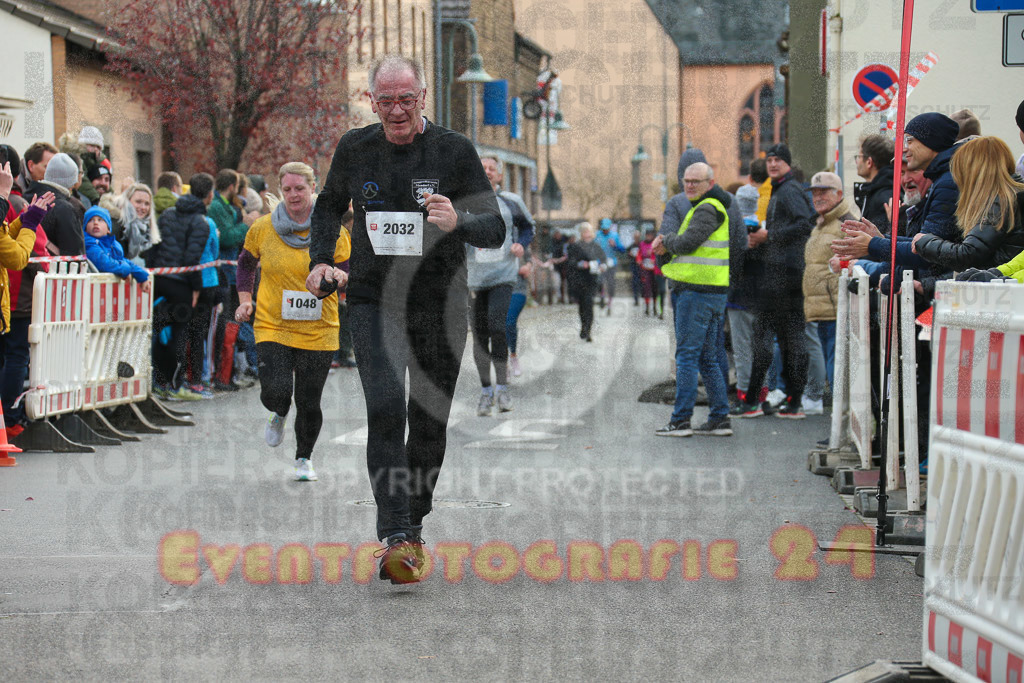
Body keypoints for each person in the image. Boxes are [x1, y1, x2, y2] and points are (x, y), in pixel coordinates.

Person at [307, 54, 503, 584]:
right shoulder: (355, 147)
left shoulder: (454, 150)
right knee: (387, 408)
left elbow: (495, 229)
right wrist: (320, 259)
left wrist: (459, 219)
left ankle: (413, 524)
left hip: (439, 304)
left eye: (406, 100)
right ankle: (395, 534)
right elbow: (328, 206)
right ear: (371, 101)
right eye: (386, 100)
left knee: (428, 422)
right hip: (373, 301)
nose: (397, 110)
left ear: (423, 99)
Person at [236, 161, 350, 482]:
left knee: (309, 400)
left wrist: (342, 276)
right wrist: (245, 300)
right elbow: (245, 265)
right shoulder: (263, 228)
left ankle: (304, 458)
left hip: (319, 329)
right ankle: (279, 411)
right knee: (277, 390)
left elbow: (346, 268)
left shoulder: (332, 231)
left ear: (313, 188)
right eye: (287, 189)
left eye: (300, 188)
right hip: (273, 324)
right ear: (280, 190)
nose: (293, 195)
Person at [733, 143, 815, 419]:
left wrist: (769, 236)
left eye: (778, 159)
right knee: (786, 340)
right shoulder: (783, 189)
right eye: (769, 160)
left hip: (784, 275)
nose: (773, 164)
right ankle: (791, 401)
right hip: (783, 273)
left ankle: (756, 401)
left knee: (769, 338)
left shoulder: (789, 190)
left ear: (787, 163)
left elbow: (805, 224)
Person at [651, 161, 733, 437]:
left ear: (710, 183)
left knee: (686, 356)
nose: (689, 185)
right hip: (711, 291)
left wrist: (666, 242)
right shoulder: (711, 206)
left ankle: (681, 420)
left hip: (696, 292)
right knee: (707, 358)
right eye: (686, 181)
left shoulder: (707, 208)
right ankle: (720, 418)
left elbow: (688, 243)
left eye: (695, 181)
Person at [469, 156, 534, 415]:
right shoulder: (464, 200)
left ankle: (502, 389)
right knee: (479, 337)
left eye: (491, 168)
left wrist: (521, 244)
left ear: (498, 175)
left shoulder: (511, 201)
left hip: (503, 275)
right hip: (473, 278)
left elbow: (528, 227)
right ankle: (486, 391)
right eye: (482, 167)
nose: (486, 171)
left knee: (498, 328)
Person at [912, 136, 1024, 271]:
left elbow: (968, 255)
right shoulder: (1009, 195)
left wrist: (925, 242)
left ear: (973, 171)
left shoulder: (999, 201)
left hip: (1002, 280)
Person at [0, 162, 54, 434]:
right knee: (15, 357)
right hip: (16, 301)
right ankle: (9, 419)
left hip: (13, 302)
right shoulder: (5, 199)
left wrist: (26, 218)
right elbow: (17, 257)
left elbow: (5, 236)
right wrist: (30, 222)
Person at [148, 173, 213, 401]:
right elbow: (192, 260)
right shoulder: (201, 223)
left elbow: (155, 247)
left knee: (159, 332)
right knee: (178, 334)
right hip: (182, 285)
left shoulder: (167, 214)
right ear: (209, 195)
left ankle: (159, 382)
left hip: (160, 280)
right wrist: (196, 289)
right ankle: (175, 385)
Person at [803, 172, 859, 414]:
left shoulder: (846, 222)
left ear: (839, 194)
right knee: (832, 365)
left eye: (824, 192)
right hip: (823, 308)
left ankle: (842, 421)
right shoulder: (821, 223)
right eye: (815, 192)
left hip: (837, 307)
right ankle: (839, 420)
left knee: (838, 368)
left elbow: (860, 257)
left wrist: (843, 264)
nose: (818, 197)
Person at [83, 206, 151, 290]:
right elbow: (104, 263)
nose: (95, 223)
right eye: (90, 220)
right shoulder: (88, 243)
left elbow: (122, 260)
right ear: (85, 228)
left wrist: (141, 275)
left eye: (100, 220)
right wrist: (125, 270)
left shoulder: (113, 245)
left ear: (108, 229)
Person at [100, 182, 161, 262]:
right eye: (138, 202)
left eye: (147, 204)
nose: (143, 207)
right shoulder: (114, 225)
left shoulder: (145, 230)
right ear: (127, 201)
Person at [566, 222, 606, 341]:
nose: (587, 234)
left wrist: (602, 266)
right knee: (582, 305)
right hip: (579, 279)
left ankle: (588, 330)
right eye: (584, 232)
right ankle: (583, 326)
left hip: (592, 279)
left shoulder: (596, 246)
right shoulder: (575, 246)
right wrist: (581, 264)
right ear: (581, 234)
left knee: (589, 303)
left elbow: (603, 260)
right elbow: (571, 262)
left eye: (588, 231)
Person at [852, 134, 895, 229]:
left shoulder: (882, 199)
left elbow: (876, 236)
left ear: (869, 162)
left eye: (859, 157)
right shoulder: (880, 192)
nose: (857, 162)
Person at [594, 218, 625, 314]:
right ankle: (602, 296)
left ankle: (609, 304)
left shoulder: (614, 236)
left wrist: (615, 245)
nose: (605, 230)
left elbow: (623, 250)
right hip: (600, 263)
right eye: (603, 229)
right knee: (599, 281)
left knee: (610, 284)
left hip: (611, 263)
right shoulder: (597, 235)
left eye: (606, 229)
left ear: (610, 228)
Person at [76, 126, 107, 205]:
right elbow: (83, 181)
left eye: (98, 147)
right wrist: (96, 197)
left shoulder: (98, 163)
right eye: (92, 145)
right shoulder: (79, 160)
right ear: (83, 145)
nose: (96, 149)